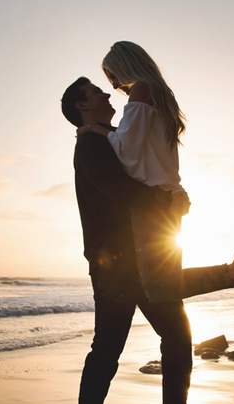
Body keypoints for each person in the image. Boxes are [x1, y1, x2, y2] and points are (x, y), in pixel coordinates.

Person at [61, 76, 234, 404]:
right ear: (82, 106)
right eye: (95, 92)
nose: (105, 93)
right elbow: (122, 191)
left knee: (177, 332)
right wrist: (168, 201)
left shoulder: (113, 139)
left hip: (146, 251)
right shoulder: (90, 146)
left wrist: (169, 201)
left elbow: (144, 167)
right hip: (114, 265)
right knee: (106, 353)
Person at [77, 41, 189, 303]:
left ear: (124, 66)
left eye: (113, 76)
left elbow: (127, 152)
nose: (115, 85)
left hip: (154, 200)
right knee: (164, 288)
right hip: (169, 195)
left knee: (159, 288)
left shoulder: (142, 89)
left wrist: (96, 129)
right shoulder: (162, 95)